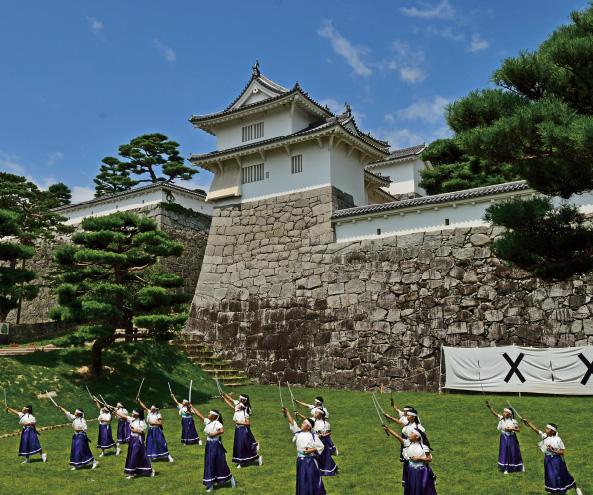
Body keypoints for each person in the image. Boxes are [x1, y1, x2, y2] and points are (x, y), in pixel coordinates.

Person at [522, 418, 582, 495]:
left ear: (553, 431)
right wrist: (528, 422)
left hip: (557, 460)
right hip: (548, 459)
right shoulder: (544, 436)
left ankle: (576, 488)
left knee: (564, 475)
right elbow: (535, 429)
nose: (546, 430)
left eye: (548, 429)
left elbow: (562, 452)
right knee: (551, 476)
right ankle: (554, 492)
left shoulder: (558, 440)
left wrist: (553, 451)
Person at [189, 404, 236, 492]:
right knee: (209, 463)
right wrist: (192, 407)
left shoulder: (217, 423)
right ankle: (210, 484)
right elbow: (199, 415)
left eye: (210, 414)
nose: (208, 415)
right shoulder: (208, 422)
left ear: (214, 416)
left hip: (216, 445)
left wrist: (213, 434)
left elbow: (222, 431)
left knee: (220, 462)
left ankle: (231, 478)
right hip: (209, 445)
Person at [282, 407, 326, 495]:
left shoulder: (313, 436)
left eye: (303, 423)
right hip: (300, 460)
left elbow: (321, 447)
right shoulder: (298, 433)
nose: (301, 425)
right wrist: (287, 412)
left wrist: (311, 450)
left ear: (308, 427)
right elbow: (292, 422)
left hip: (309, 461)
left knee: (310, 478)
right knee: (302, 478)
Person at [383, 424, 437, 495]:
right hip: (410, 470)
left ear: (417, 437)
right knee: (411, 487)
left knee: (421, 488)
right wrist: (388, 429)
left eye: (412, 433)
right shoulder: (408, 444)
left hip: (420, 471)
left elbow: (429, 459)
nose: (409, 434)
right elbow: (397, 436)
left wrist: (419, 459)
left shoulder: (424, 447)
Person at [384, 408, 426, 487]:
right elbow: (398, 436)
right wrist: (388, 429)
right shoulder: (408, 424)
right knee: (408, 466)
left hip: (414, 449)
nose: (406, 416)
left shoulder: (418, 427)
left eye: (409, 415)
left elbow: (423, 440)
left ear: (414, 417)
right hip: (408, 446)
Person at [221, 393, 262, 468]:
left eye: (239, 405)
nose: (238, 406)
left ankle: (257, 455)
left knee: (246, 444)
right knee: (238, 445)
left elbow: (248, 423)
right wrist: (224, 397)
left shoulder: (245, 413)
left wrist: (239, 422)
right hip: (237, 430)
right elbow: (231, 405)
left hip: (243, 429)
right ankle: (240, 462)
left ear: (242, 406)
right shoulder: (237, 411)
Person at [113, 406, 155, 479]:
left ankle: (150, 470)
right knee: (132, 455)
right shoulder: (132, 419)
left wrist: (135, 431)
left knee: (140, 455)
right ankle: (132, 473)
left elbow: (143, 432)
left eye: (133, 413)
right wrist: (116, 413)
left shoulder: (141, 422)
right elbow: (125, 416)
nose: (131, 414)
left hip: (138, 440)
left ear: (137, 415)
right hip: (132, 439)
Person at [485, 402, 524, 474]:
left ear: (510, 414)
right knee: (505, 451)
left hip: (512, 437)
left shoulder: (514, 421)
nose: (504, 413)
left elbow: (518, 430)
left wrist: (511, 429)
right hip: (504, 437)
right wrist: (489, 407)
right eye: (504, 412)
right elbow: (495, 413)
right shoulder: (502, 418)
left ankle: (519, 466)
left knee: (514, 450)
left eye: (506, 412)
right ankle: (506, 468)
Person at [299, 407, 337, 477]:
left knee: (324, 455)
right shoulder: (313, 420)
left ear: (320, 414)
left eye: (316, 412)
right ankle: (315, 469)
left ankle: (325, 469)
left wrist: (324, 435)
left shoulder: (326, 424)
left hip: (323, 441)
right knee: (315, 455)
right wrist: (299, 415)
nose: (315, 413)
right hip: (315, 440)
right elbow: (307, 420)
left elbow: (329, 432)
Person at [57, 406, 98, 470]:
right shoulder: (74, 418)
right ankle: (76, 465)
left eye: (76, 412)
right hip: (76, 436)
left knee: (83, 449)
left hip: (81, 436)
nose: (74, 412)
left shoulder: (82, 420)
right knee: (75, 450)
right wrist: (61, 408)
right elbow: (67, 413)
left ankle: (94, 462)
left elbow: (85, 429)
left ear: (78, 413)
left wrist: (78, 429)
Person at [136, 397, 173, 462]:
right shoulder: (150, 412)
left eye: (152, 407)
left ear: (155, 409)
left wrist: (153, 423)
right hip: (150, 430)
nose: (150, 408)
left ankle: (168, 455)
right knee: (150, 442)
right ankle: (151, 457)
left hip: (157, 430)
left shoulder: (158, 415)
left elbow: (160, 423)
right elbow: (144, 407)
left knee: (160, 442)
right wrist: (139, 401)